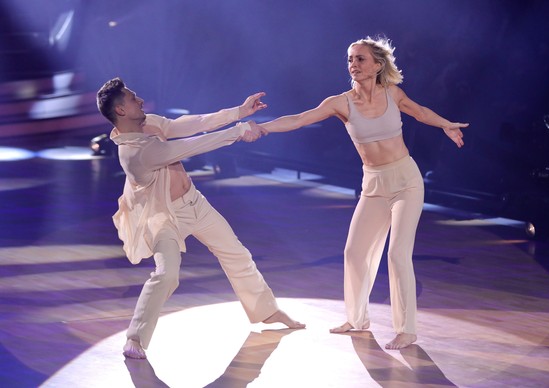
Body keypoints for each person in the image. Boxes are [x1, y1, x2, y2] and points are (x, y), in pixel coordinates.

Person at [261, 36, 468, 349]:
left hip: (405, 182)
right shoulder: (340, 103)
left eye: (360, 59)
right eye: (350, 59)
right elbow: (300, 119)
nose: (353, 65)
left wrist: (446, 125)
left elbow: (421, 112)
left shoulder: (393, 94)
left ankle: (407, 329)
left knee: (398, 254)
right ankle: (357, 319)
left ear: (377, 65)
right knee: (354, 253)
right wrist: (263, 128)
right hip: (373, 184)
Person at [96, 77, 305, 360]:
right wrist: (239, 131)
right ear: (120, 110)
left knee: (236, 254)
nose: (141, 101)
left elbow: (194, 123)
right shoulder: (134, 153)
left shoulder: (149, 123)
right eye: (134, 99)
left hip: (194, 203)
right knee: (167, 274)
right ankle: (135, 338)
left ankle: (266, 311)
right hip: (162, 217)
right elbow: (191, 146)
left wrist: (239, 112)